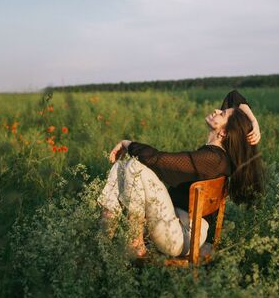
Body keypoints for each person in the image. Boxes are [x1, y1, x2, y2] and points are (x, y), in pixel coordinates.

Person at [98, 90, 265, 258]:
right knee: (121, 166)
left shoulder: (212, 159)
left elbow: (155, 159)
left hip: (182, 236)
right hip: (176, 225)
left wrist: (126, 143)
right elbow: (233, 96)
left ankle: (133, 243)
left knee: (135, 165)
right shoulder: (217, 156)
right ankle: (104, 241)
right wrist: (253, 121)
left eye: (221, 113)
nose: (216, 110)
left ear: (223, 133)